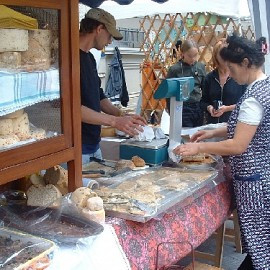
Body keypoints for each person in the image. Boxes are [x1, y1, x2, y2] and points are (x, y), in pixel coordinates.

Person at [174, 34, 270, 270]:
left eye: (232, 68)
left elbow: (238, 145)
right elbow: (247, 127)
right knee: (262, 248)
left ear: (246, 63)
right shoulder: (264, 86)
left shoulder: (252, 98)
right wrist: (212, 132)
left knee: (260, 250)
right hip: (262, 177)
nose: (232, 75)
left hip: (254, 184)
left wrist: (199, 147)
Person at [79, 8, 146, 164]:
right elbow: (72, 109)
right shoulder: (70, 57)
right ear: (99, 29)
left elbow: (98, 95)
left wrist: (121, 115)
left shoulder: (88, 58)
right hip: (76, 146)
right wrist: (114, 121)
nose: (109, 42)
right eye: (109, 36)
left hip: (93, 144)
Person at [201, 39, 246, 124]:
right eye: (222, 54)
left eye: (227, 54)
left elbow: (246, 103)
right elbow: (203, 102)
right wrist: (210, 108)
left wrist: (227, 108)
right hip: (213, 125)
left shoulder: (240, 77)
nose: (225, 57)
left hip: (235, 124)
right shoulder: (210, 78)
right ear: (216, 56)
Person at [166, 39, 206, 127]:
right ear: (182, 53)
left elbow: (205, 89)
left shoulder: (200, 67)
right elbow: (169, 93)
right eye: (190, 56)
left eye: (195, 55)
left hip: (198, 107)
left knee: (197, 134)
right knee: (187, 135)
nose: (193, 59)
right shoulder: (175, 70)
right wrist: (171, 111)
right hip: (182, 107)